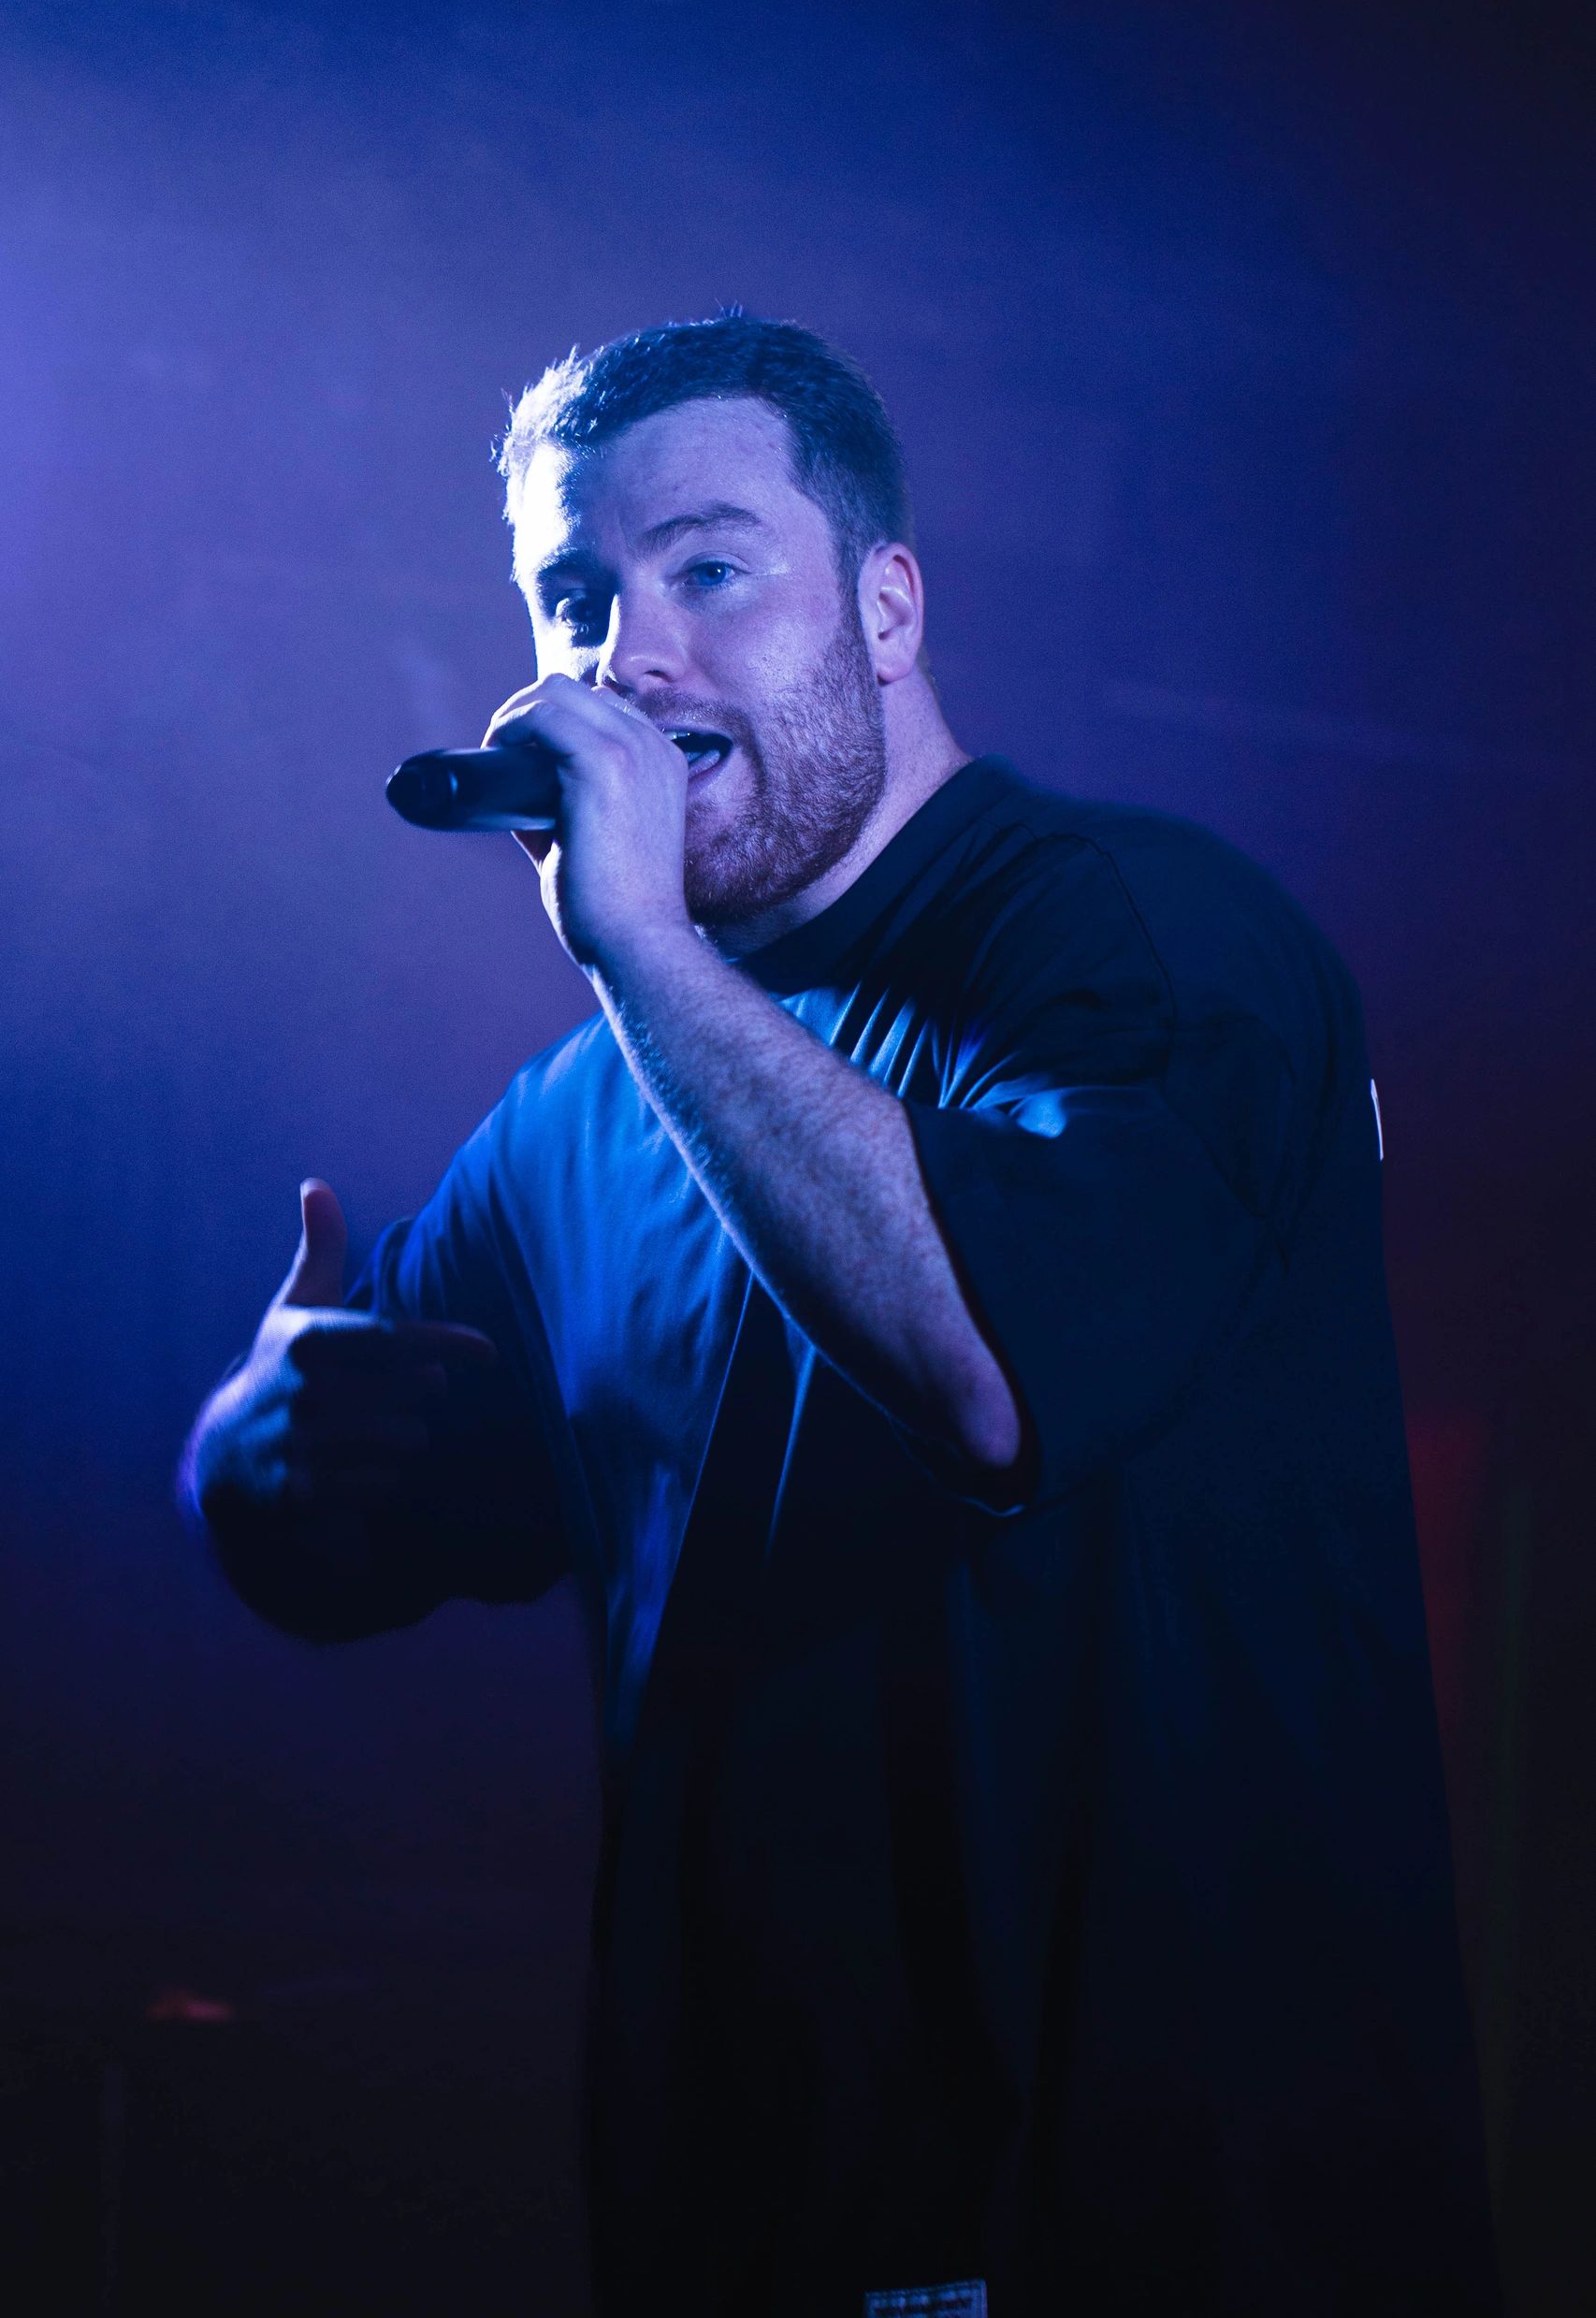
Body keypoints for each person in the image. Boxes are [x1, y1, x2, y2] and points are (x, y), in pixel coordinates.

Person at [181, 314, 1498, 2316]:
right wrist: (253, 1448)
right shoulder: (588, 1107)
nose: (627, 654)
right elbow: (348, 1534)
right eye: (573, 595)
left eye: (707, 567)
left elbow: (991, 1382)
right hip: (765, 2222)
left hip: (1168, 2219)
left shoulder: (1137, 941)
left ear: (884, 608)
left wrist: (636, 945)